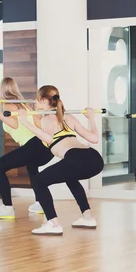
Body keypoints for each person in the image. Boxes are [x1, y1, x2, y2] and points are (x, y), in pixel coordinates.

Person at [17, 85, 104, 235]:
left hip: (75, 158)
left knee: (38, 181)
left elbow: (48, 138)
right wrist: (92, 119)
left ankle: (53, 223)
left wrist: (25, 122)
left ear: (44, 101)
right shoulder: (68, 117)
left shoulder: (47, 119)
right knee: (71, 178)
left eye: (37, 101)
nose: (35, 104)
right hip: (94, 159)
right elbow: (94, 138)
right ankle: (88, 217)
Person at [0, 77, 54, 219]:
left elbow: (14, 124)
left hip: (34, 144)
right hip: (43, 145)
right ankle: (40, 202)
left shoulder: (8, 106)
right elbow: (36, 123)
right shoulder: (24, 105)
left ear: (1, 90)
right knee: (32, 168)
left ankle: (7, 208)